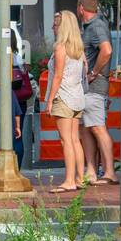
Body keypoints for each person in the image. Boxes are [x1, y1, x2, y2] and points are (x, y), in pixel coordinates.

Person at [44, 10, 87, 193]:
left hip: (63, 96)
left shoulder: (60, 48)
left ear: (63, 27)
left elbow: (58, 76)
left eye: (55, 24)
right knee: (75, 140)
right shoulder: (78, 48)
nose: (53, 27)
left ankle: (69, 180)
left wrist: (50, 100)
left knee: (65, 140)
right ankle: (79, 178)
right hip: (77, 97)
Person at [77, 0, 117, 185]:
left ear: (81, 8)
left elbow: (107, 50)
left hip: (95, 85)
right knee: (87, 128)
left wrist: (93, 72)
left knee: (97, 128)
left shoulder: (96, 26)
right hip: (89, 86)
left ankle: (109, 172)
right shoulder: (91, 26)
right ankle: (92, 170)